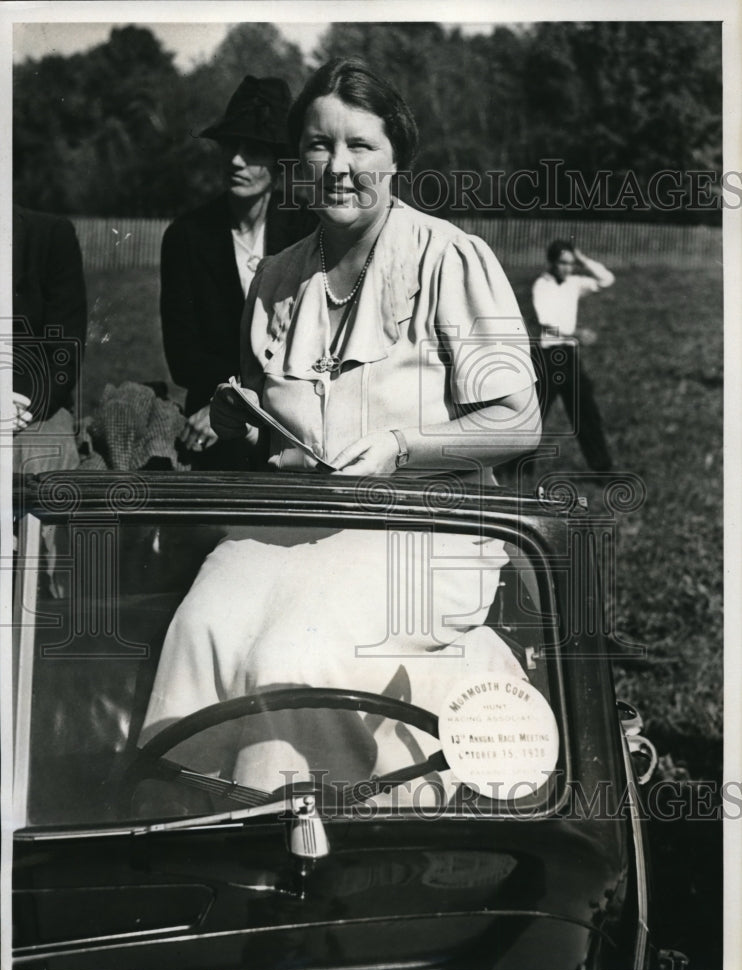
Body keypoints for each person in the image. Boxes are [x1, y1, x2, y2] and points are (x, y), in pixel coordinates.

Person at [140, 59, 541, 805]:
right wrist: (241, 412)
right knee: (202, 631)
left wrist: (401, 447)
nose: (339, 166)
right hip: (298, 521)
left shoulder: (449, 259)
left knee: (293, 652)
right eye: (319, 146)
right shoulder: (277, 277)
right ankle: (192, 826)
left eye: (360, 145)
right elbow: (271, 410)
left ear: (396, 156)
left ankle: (325, 838)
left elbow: (517, 420)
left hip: (424, 529)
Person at [160, 75, 314, 469]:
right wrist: (230, 405)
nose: (236, 160)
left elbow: (318, 343)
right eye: (231, 145)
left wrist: (254, 397)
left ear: (279, 162)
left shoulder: (310, 230)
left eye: (253, 149)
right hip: (212, 416)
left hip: (298, 412)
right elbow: (184, 359)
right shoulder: (187, 236)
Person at [12, 203, 87, 474]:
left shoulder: (48, 235)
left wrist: (15, 400)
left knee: (34, 463)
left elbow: (63, 352)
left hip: (28, 402)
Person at [531, 239, 614, 472]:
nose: (567, 268)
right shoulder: (542, 285)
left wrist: (583, 259)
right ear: (551, 263)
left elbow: (607, 279)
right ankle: (513, 467)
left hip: (569, 355)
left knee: (585, 411)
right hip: (547, 356)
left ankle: (602, 470)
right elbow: (546, 322)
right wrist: (578, 333)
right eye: (562, 263)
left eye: (570, 264)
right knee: (534, 414)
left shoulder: (574, 283)